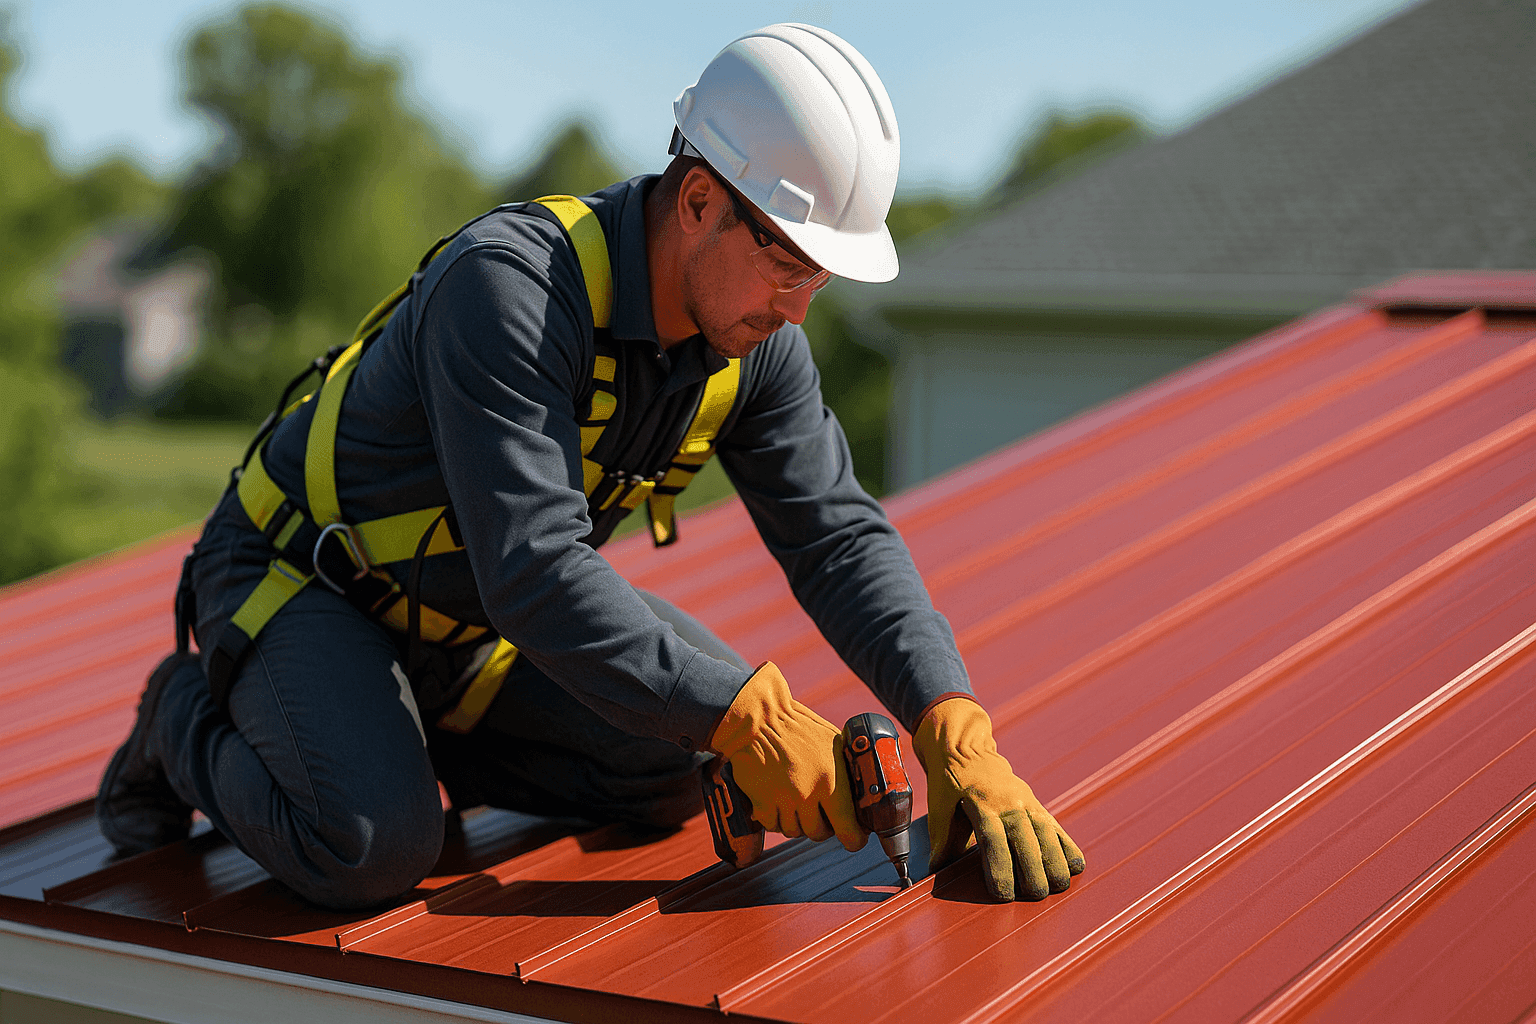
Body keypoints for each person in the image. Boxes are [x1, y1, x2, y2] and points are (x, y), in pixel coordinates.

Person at [97, 23, 1084, 909]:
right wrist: (750, 718)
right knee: (367, 847)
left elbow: (836, 537)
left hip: (466, 624)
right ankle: (177, 715)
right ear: (699, 200)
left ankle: (381, 740)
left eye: (819, 275)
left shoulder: (754, 343)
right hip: (304, 582)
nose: (799, 308)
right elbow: (534, 570)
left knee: (667, 767)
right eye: (790, 264)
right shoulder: (511, 290)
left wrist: (952, 721)